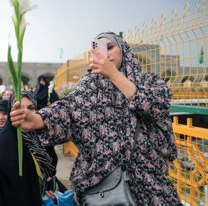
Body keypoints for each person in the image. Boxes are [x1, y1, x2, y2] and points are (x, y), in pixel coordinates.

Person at [10, 32, 181, 205]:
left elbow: (156, 105)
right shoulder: (90, 87)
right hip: (105, 188)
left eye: (111, 47)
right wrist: (37, 120)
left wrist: (114, 75)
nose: (106, 53)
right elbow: (68, 111)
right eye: (101, 49)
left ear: (123, 50)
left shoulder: (149, 82)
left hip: (152, 185)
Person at [0, 91, 58, 206]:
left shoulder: (44, 139)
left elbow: (51, 174)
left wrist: (54, 192)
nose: (24, 113)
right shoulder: (3, 141)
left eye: (31, 108)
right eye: (18, 108)